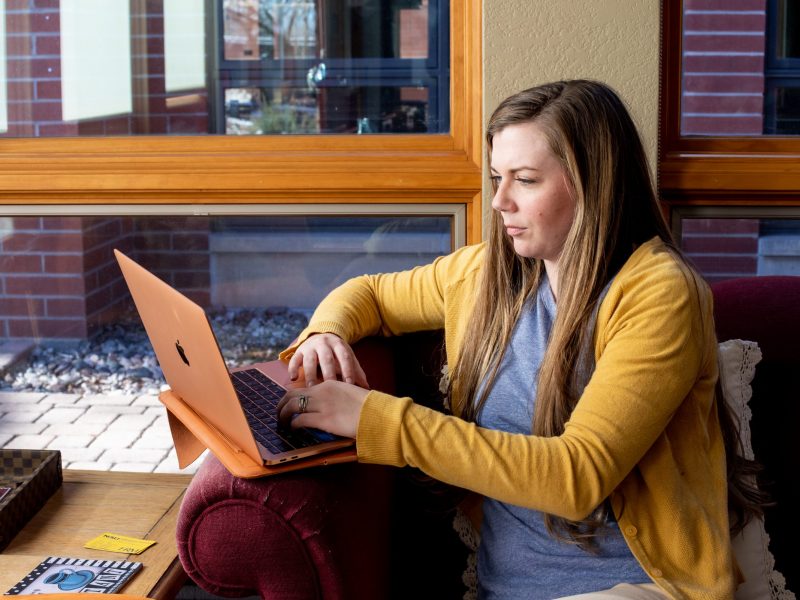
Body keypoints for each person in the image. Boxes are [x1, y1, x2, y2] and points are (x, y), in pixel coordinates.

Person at [276, 80, 761, 599]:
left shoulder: (659, 294)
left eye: (525, 180)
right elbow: (370, 293)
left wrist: (379, 421)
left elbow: (577, 476)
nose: (500, 201)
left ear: (593, 183)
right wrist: (325, 332)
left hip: (639, 586)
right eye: (496, 177)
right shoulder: (487, 275)